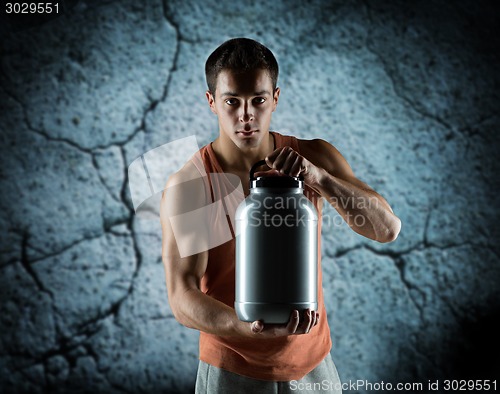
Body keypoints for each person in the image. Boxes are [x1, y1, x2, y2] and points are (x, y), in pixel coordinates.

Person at [160, 38, 401, 393]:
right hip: (232, 368)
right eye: (232, 102)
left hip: (312, 363)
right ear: (211, 102)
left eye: (258, 100)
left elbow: (387, 229)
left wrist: (320, 179)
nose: (246, 116)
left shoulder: (314, 156)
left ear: (275, 97)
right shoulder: (194, 184)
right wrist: (246, 326)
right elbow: (182, 297)